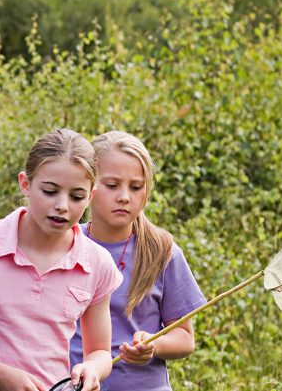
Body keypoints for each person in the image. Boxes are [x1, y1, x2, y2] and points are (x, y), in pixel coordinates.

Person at [0, 128, 121, 391]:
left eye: (76, 196)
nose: (62, 205)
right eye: (50, 191)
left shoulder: (97, 263)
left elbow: (100, 351)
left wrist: (92, 369)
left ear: (92, 195)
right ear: (25, 184)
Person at [67, 131, 206, 391]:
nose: (124, 197)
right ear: (90, 187)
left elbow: (185, 338)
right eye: (112, 185)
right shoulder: (66, 245)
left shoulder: (161, 252)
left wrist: (155, 346)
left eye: (135, 187)